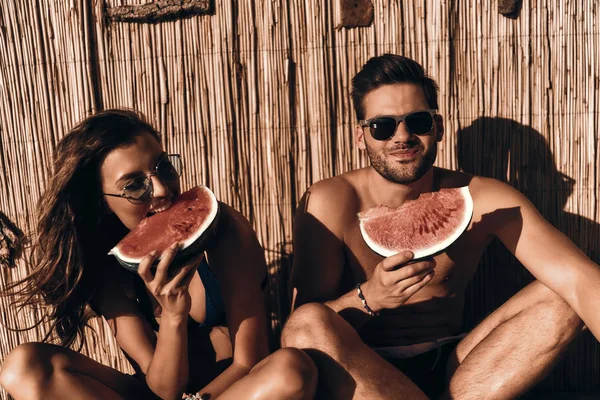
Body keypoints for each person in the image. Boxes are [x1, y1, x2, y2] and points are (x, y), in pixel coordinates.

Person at [281, 54, 598, 399]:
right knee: (306, 322)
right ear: (361, 137)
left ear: (439, 127)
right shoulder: (330, 200)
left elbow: (579, 279)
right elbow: (301, 332)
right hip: (361, 373)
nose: (402, 136)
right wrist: (371, 297)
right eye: (382, 126)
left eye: (417, 121)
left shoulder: (484, 198)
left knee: (564, 292)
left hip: (460, 376)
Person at [0, 109, 317, 400]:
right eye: (134, 185)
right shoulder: (105, 265)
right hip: (157, 391)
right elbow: (164, 389)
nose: (162, 189)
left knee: (290, 369)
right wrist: (174, 318)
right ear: (100, 202)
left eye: (163, 167)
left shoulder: (225, 231)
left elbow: (249, 362)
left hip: (229, 392)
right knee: (22, 365)